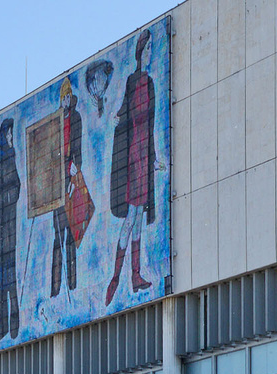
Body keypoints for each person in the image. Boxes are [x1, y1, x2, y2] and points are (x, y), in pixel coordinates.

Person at [106, 27, 162, 306]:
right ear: (141, 52)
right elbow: (125, 112)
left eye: (152, 49)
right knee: (131, 218)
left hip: (143, 157)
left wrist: (154, 157)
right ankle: (117, 276)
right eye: (148, 49)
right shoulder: (132, 81)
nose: (151, 53)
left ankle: (135, 277)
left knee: (138, 219)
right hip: (131, 159)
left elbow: (150, 125)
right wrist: (117, 118)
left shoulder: (150, 83)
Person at [50, 77, 83, 298]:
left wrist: (76, 166)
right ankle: (55, 287)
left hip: (71, 176)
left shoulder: (76, 118)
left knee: (71, 233)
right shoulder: (55, 123)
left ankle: (72, 284)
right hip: (56, 181)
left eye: (69, 97)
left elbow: (78, 144)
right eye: (64, 97)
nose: (66, 100)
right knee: (57, 235)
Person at [0, 117, 21, 342]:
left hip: (10, 229)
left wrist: (9, 197)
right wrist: (4, 198)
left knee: (11, 280)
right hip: (1, 234)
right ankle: (3, 322)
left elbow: (17, 187)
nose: (11, 137)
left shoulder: (12, 157)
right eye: (9, 134)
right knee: (0, 283)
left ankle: (15, 320)